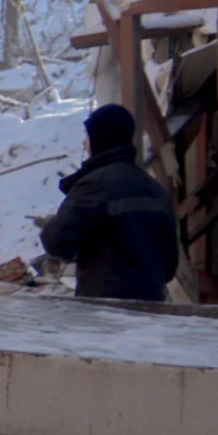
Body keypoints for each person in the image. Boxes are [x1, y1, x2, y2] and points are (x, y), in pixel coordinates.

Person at [40, 103, 179, 302]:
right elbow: (169, 267)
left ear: (99, 138)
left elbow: (55, 241)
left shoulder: (94, 187)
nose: (84, 143)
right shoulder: (155, 190)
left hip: (106, 311)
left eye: (88, 136)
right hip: (151, 313)